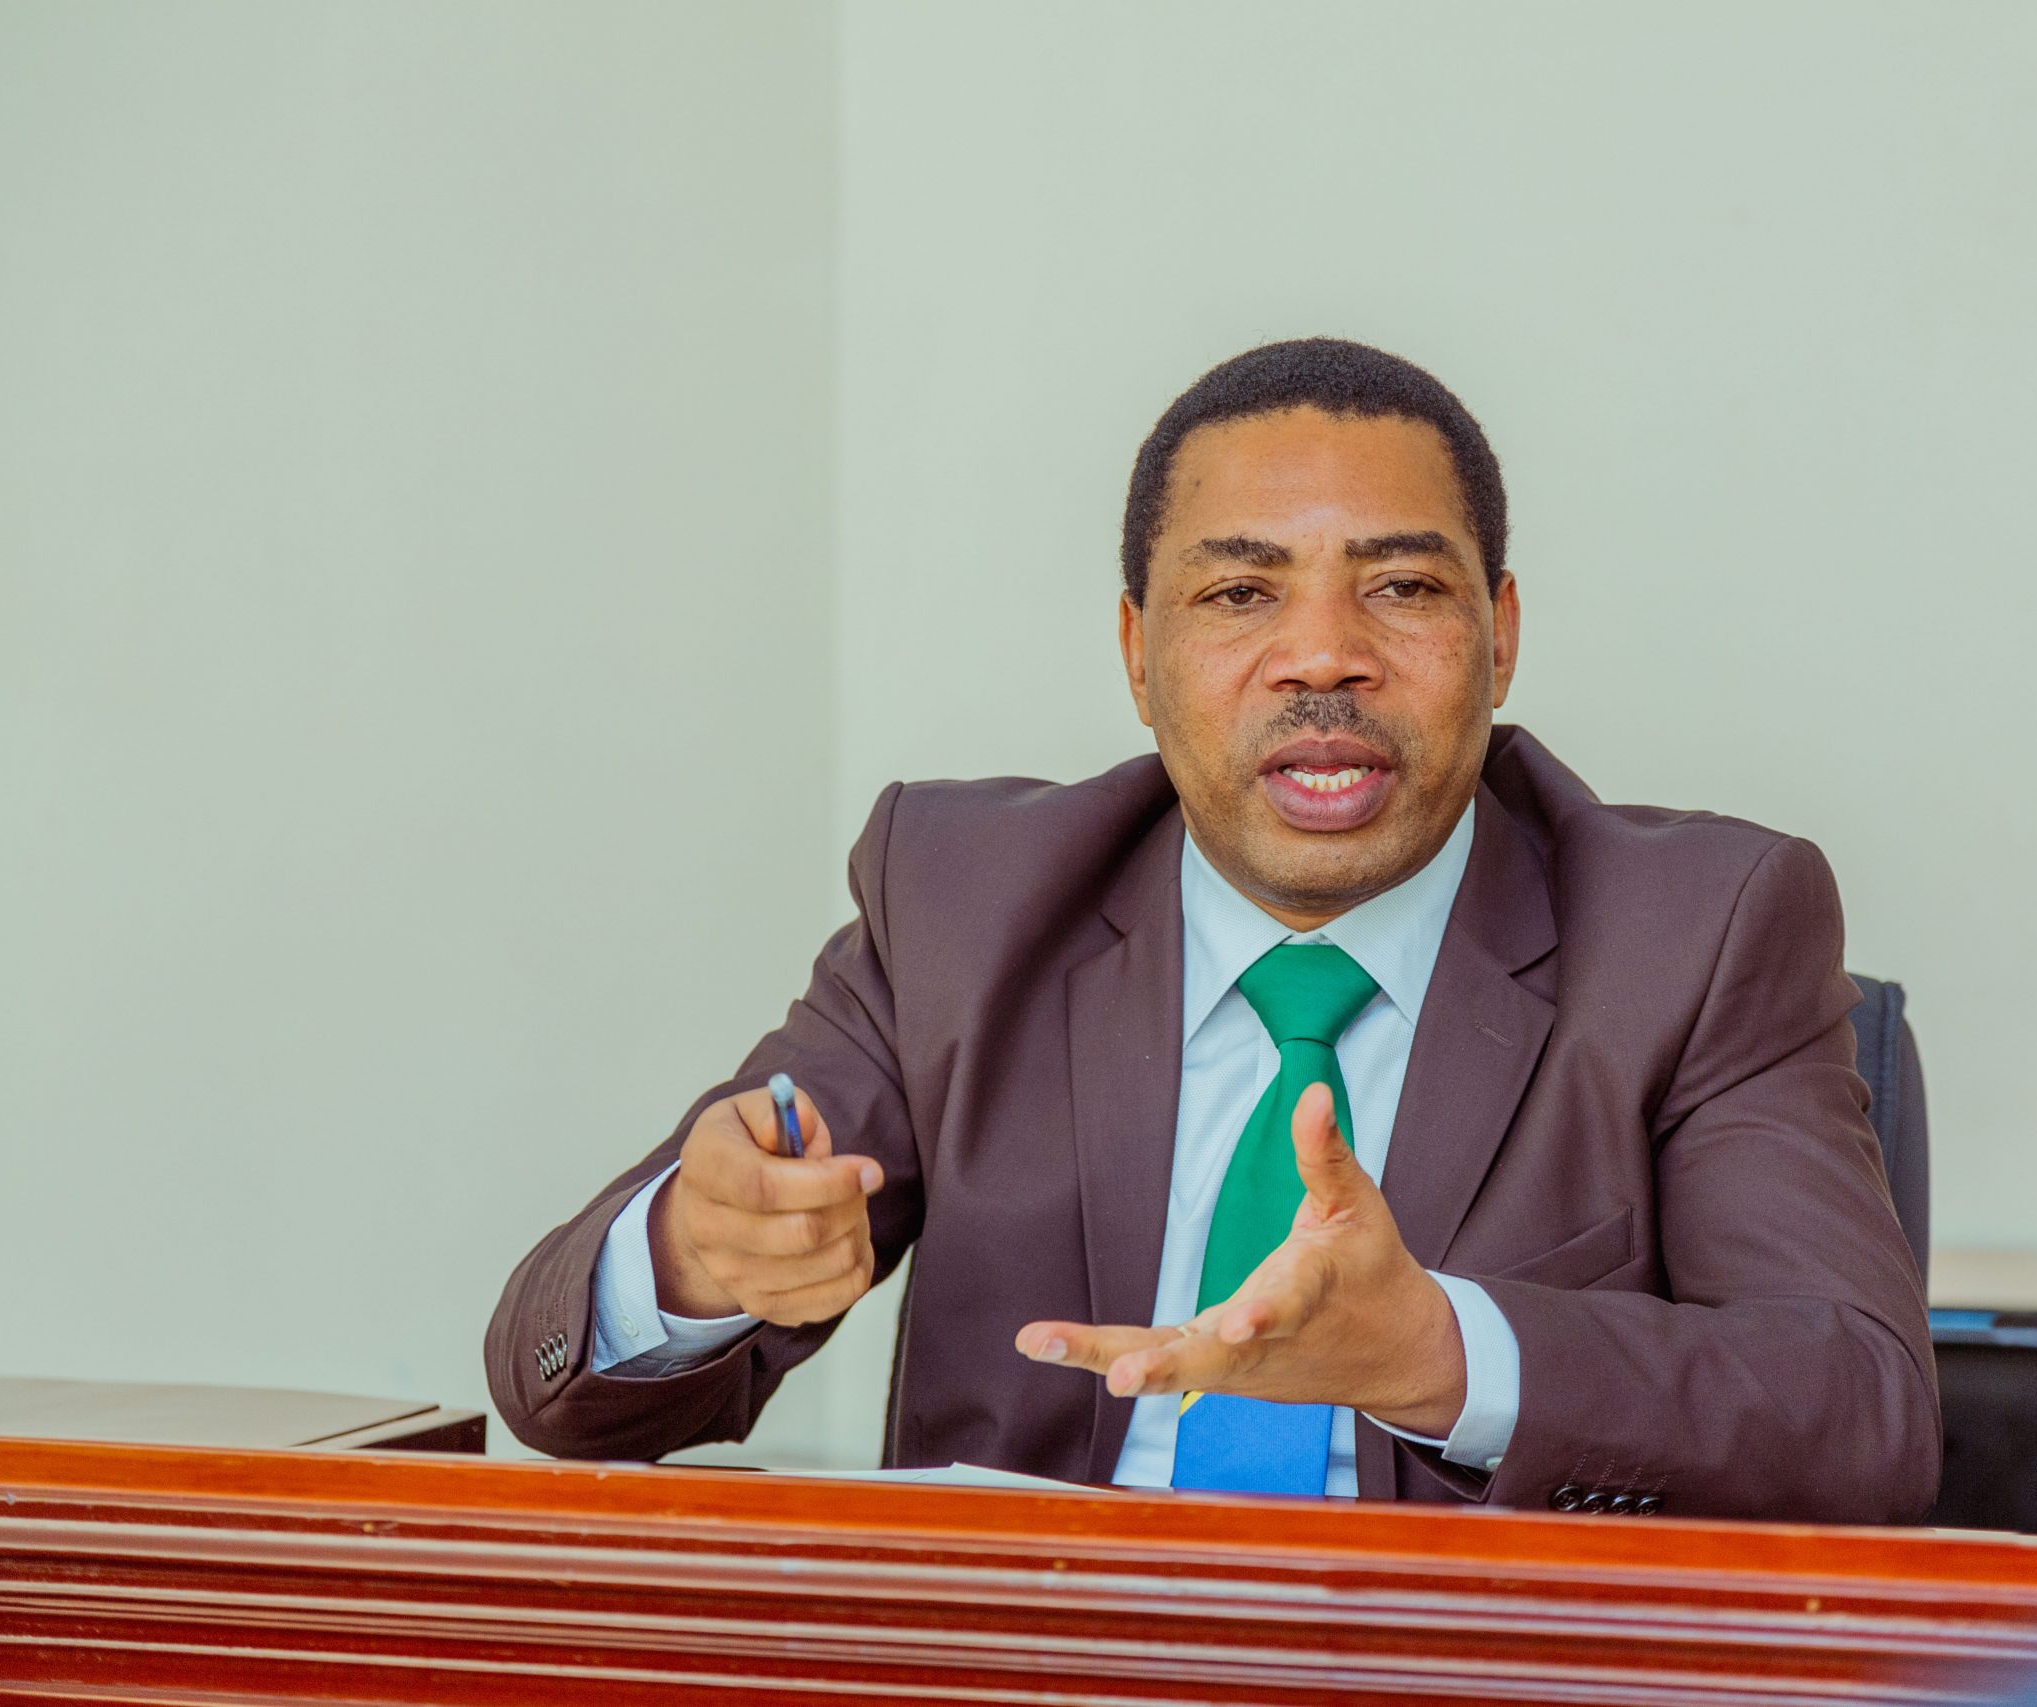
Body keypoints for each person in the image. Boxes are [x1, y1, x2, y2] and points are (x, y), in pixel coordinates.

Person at [485, 338, 1938, 1518]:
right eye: (1241, 593)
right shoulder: (964, 903)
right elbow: (555, 1389)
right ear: (1138, 653)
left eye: (1403, 587)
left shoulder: (1698, 932)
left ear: (1501, 634)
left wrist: (1441, 1357)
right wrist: (692, 1254)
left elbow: (1858, 1415)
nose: (1324, 656)